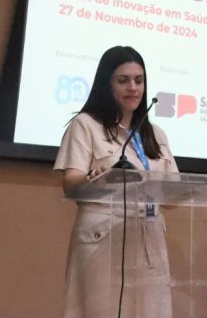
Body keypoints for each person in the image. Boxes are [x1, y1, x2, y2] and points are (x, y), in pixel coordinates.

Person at [54, 46, 179, 318]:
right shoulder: (86, 124)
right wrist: (95, 179)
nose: (133, 87)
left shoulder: (155, 134)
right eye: (123, 80)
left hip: (149, 237)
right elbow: (70, 183)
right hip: (103, 236)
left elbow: (173, 195)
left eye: (139, 80)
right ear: (107, 84)